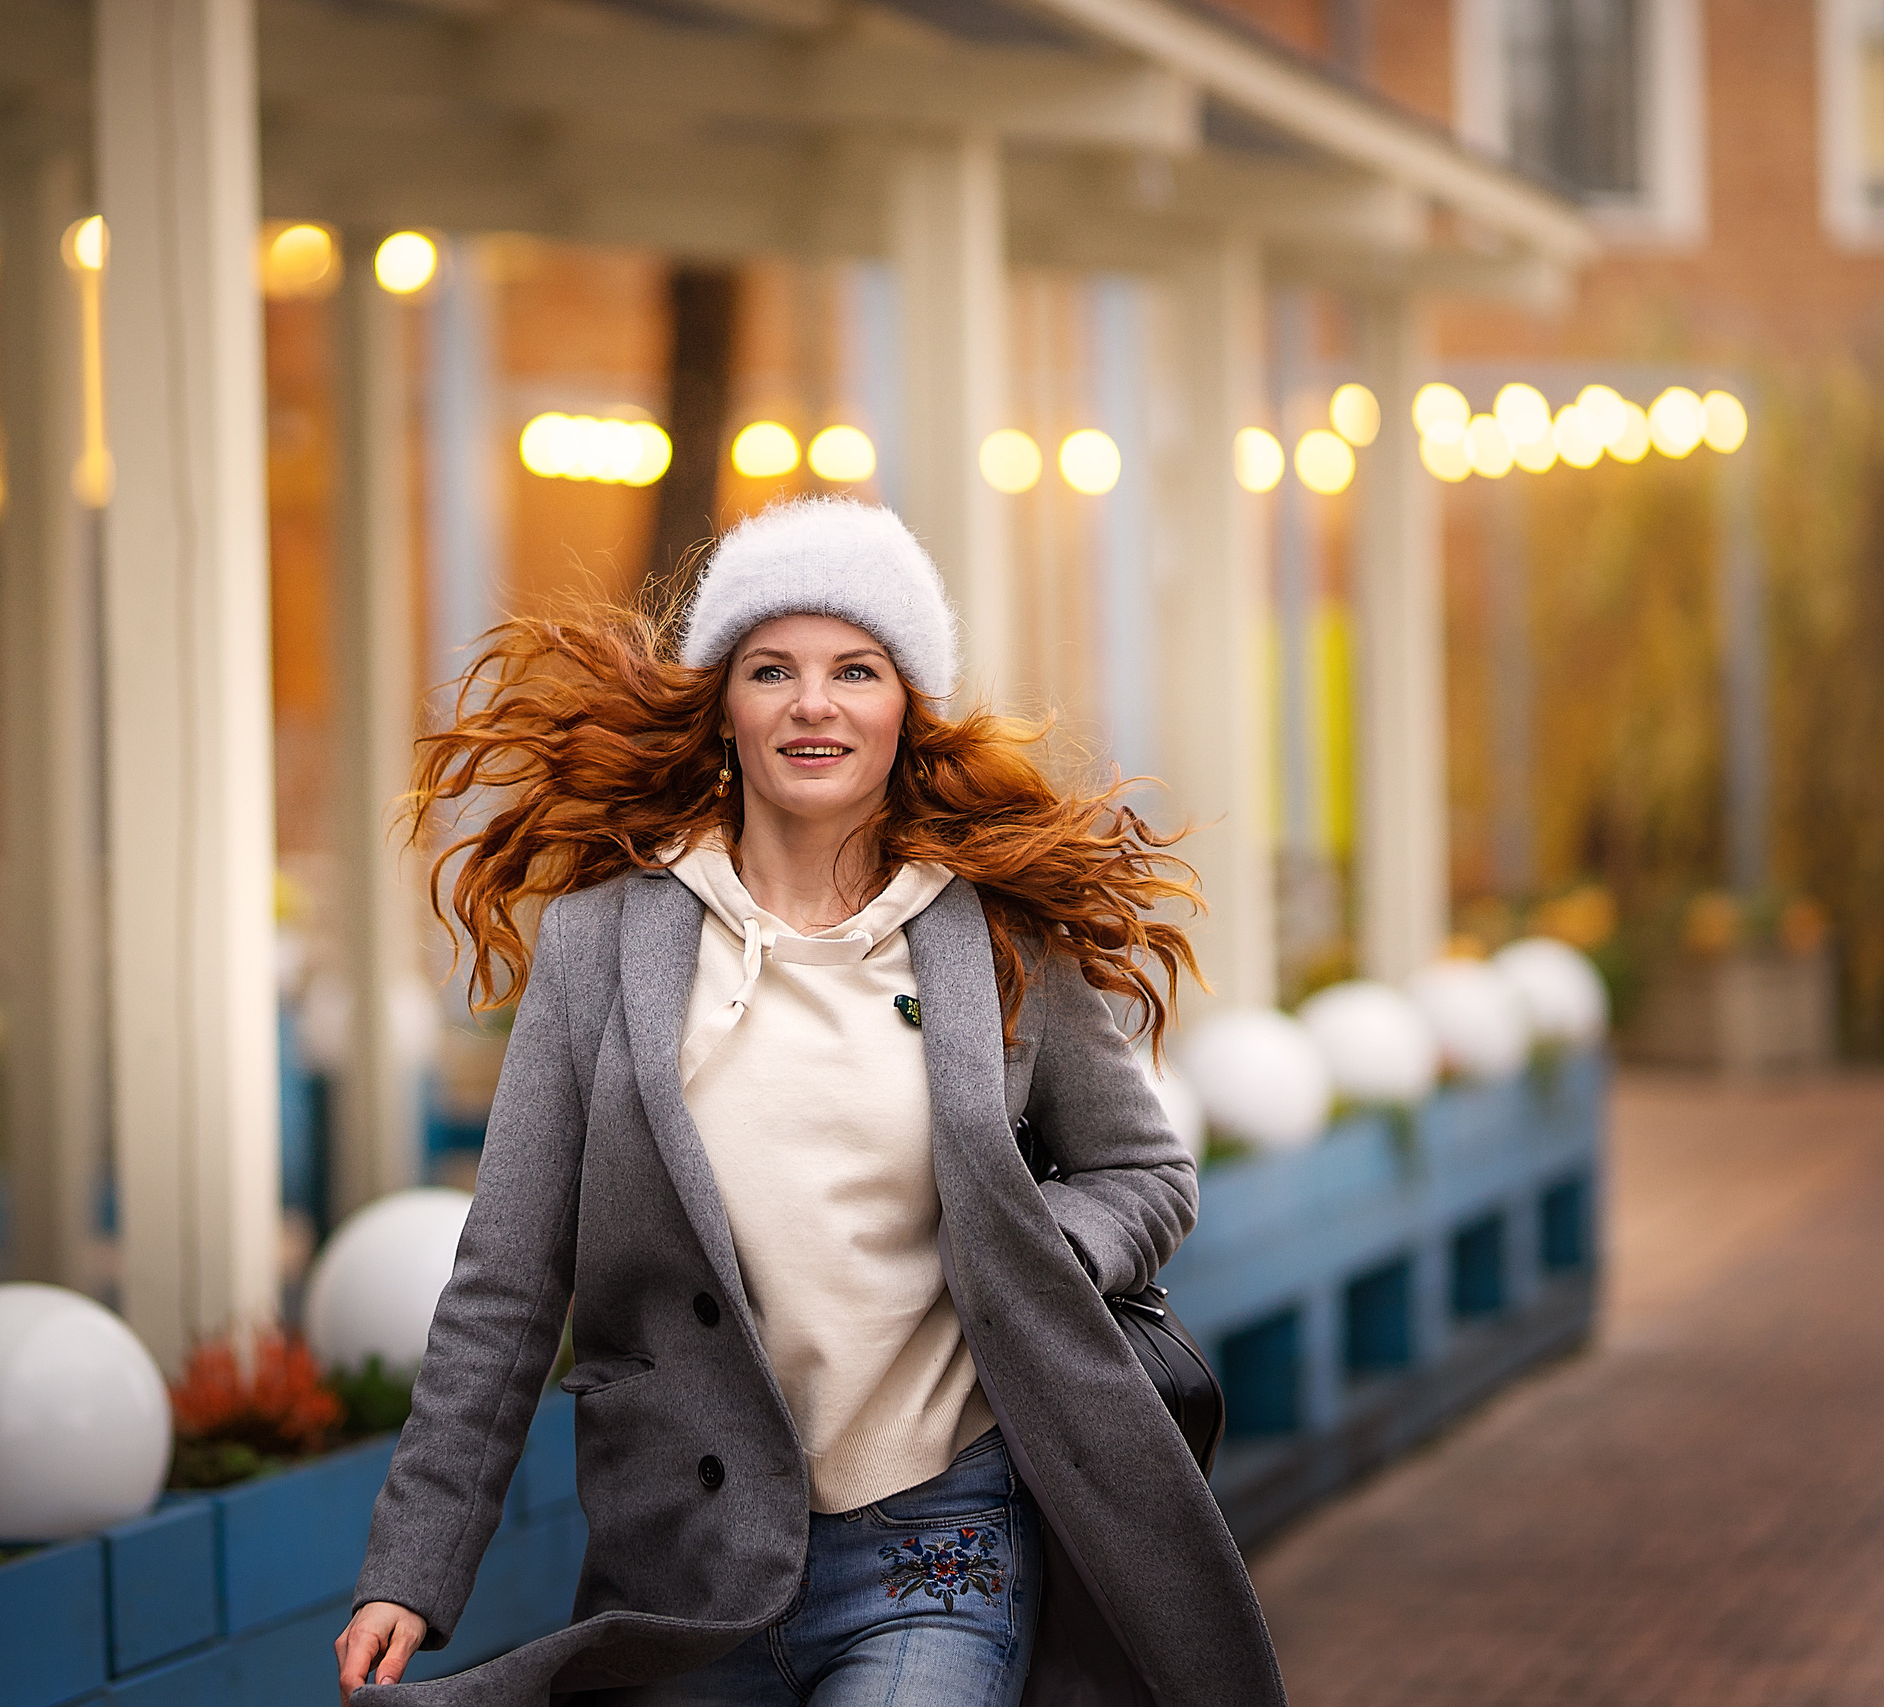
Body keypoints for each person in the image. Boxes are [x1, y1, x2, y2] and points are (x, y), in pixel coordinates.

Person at [334, 498, 1285, 1707]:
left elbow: (1146, 1174)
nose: (813, 703)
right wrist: (410, 1571)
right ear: (725, 708)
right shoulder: (601, 945)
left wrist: (1029, 1253)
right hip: (685, 1568)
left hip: (940, 1538)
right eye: (770, 668)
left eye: (856, 669)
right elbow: (508, 1277)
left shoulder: (997, 940)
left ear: (906, 708)